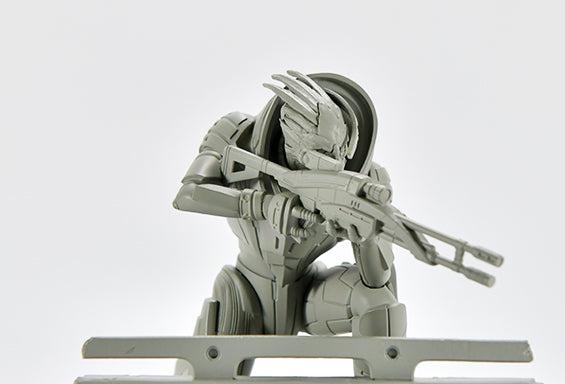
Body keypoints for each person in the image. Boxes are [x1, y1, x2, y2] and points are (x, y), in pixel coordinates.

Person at [173, 70, 407, 337]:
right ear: (288, 139)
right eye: (320, 152)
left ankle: (381, 367)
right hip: (246, 293)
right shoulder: (236, 134)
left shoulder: (367, 181)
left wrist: (367, 241)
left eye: (339, 151)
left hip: (310, 293)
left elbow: (377, 280)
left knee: (378, 303)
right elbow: (188, 194)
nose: (335, 163)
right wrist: (262, 205)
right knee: (214, 356)